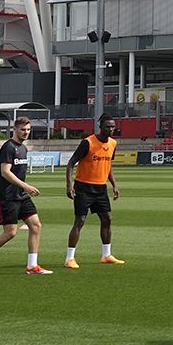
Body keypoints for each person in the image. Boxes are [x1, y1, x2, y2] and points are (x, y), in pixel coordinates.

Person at [0, 116, 52, 277]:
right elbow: (5, 172)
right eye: (23, 129)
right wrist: (26, 186)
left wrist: (24, 189)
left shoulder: (23, 148)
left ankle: (32, 265)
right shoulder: (8, 147)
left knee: (36, 225)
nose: (26, 132)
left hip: (21, 196)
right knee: (10, 232)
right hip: (8, 197)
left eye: (28, 130)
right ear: (15, 129)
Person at [64, 115, 126, 269]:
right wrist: (69, 185)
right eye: (107, 127)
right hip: (83, 187)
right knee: (80, 221)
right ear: (100, 127)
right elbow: (71, 163)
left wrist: (114, 185)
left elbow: (108, 164)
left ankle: (106, 255)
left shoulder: (113, 143)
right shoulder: (88, 142)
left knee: (107, 219)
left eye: (112, 127)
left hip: (100, 188)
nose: (110, 129)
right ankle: (69, 258)